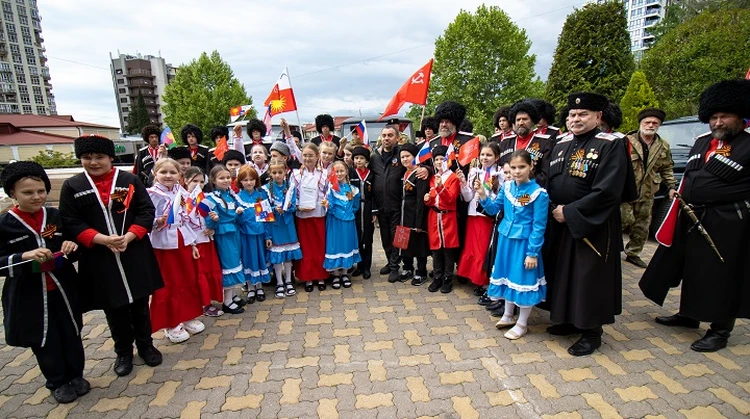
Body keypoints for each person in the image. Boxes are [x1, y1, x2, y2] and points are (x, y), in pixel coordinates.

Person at [640, 79, 750, 352]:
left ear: (741, 115)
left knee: (723, 275)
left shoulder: (748, 144)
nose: (719, 122)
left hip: (728, 221)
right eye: (714, 117)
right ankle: (689, 315)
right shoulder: (703, 142)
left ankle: (720, 330)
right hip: (692, 217)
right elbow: (692, 176)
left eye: (725, 116)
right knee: (692, 269)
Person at [59, 135, 163, 377]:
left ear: (110, 158)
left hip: (133, 250)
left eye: (99, 157)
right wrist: (101, 239)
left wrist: (129, 236)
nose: (94, 162)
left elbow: (146, 211)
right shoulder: (73, 186)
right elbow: (69, 221)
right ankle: (123, 352)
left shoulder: (128, 180)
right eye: (87, 158)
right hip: (99, 256)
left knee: (140, 305)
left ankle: (146, 346)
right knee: (113, 308)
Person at [543, 92, 632, 356]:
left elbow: (609, 191)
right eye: (572, 114)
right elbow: (549, 180)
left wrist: (570, 212)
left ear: (598, 117)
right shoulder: (560, 142)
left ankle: (592, 332)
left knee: (588, 277)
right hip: (559, 221)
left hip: (592, 224)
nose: (576, 119)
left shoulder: (611, 144)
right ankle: (569, 320)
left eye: (583, 114)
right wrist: (551, 209)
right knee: (563, 274)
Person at [0, 161, 88, 403]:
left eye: (41, 191)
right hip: (29, 294)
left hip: (63, 288)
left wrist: (71, 247)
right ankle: (57, 381)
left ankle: (76, 375)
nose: (36, 197)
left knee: (72, 331)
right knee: (44, 338)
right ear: (12, 194)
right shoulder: (4, 224)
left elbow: (73, 245)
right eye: (27, 192)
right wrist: (23, 256)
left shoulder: (55, 216)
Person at [477, 150, 548, 340]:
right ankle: (508, 315)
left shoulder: (538, 194)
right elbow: (493, 210)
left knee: (523, 280)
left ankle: (522, 323)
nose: (517, 171)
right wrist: (483, 195)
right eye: (514, 167)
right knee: (508, 277)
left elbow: (539, 226)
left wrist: (532, 252)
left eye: (522, 167)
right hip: (506, 240)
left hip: (525, 244)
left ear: (531, 166)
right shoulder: (507, 188)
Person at [147, 158, 205, 344]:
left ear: (180, 175)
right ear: (155, 174)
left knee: (187, 279)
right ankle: (171, 323)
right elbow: (143, 220)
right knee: (169, 283)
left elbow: (185, 219)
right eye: (163, 172)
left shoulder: (181, 192)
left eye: (173, 172)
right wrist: (157, 222)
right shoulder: (151, 194)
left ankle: (187, 315)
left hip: (183, 241)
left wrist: (193, 243)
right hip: (163, 245)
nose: (168, 176)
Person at [621, 107, 675, 268]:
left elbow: (666, 168)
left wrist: (672, 186)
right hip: (626, 191)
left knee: (642, 225)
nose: (650, 125)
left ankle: (633, 253)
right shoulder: (626, 141)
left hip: (648, 191)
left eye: (654, 123)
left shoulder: (663, 146)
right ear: (641, 123)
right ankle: (612, 250)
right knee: (622, 220)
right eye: (647, 122)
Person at [456, 143, 502, 296]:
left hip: (487, 217)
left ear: (497, 157)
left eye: (489, 155)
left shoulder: (500, 174)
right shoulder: (474, 172)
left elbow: (498, 198)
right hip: (473, 215)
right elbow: (468, 197)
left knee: (483, 249)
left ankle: (484, 281)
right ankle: (473, 278)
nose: (485, 158)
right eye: (482, 155)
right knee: (472, 247)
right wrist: (463, 183)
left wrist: (485, 192)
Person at [204, 165, 247, 314]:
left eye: (228, 177)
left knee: (236, 262)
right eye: (221, 178)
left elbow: (238, 217)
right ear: (213, 180)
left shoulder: (232, 195)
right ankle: (227, 301)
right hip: (224, 234)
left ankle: (233, 295)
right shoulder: (211, 198)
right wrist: (214, 219)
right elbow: (209, 222)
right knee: (229, 265)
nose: (226, 180)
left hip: (234, 232)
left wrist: (240, 213)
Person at [183, 167, 224, 317]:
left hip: (207, 240)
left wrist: (213, 224)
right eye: (195, 181)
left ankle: (209, 301)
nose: (198, 184)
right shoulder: (182, 200)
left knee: (210, 271)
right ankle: (202, 304)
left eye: (201, 181)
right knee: (198, 274)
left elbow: (214, 219)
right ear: (186, 181)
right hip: (193, 243)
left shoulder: (206, 199)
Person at [290, 143, 329, 291]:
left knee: (319, 245)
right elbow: (291, 193)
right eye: (305, 155)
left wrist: (326, 201)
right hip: (302, 214)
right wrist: (295, 204)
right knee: (305, 247)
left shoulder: (324, 174)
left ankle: (320, 276)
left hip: (318, 213)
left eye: (310, 155)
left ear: (317, 156)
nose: (307, 158)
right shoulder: (295, 174)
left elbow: (328, 191)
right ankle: (307, 277)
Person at [263, 158, 303, 298]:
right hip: (274, 225)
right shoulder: (265, 189)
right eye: (274, 172)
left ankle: (288, 281)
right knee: (277, 256)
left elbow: (293, 204)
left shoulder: (290, 186)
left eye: (280, 172)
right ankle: (279, 282)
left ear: (285, 172)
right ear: (270, 173)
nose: (277, 175)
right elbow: (263, 210)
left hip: (287, 224)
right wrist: (274, 209)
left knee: (288, 255)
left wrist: (287, 208)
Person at [424, 146, 461, 293]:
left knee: (448, 249)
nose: (439, 162)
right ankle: (437, 277)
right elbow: (432, 199)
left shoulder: (453, 178)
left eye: (442, 159)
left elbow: (451, 199)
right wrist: (427, 199)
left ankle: (447, 278)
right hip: (434, 217)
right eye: (437, 159)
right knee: (436, 249)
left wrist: (440, 188)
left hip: (448, 217)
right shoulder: (433, 177)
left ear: (449, 160)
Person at [322, 161, 361, 289]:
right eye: (336, 171)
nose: (339, 174)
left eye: (341, 171)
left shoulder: (353, 189)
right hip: (335, 222)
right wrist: (329, 206)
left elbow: (355, 206)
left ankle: (344, 273)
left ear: (346, 171)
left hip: (348, 222)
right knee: (335, 246)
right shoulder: (331, 189)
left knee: (346, 245)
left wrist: (348, 214)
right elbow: (331, 206)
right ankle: (335, 274)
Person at [395, 143, 430, 284]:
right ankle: (407, 267)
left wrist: (419, 221)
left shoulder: (420, 173)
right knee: (404, 243)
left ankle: (421, 271)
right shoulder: (403, 173)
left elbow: (420, 199)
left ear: (415, 157)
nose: (404, 159)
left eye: (408, 156)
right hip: (403, 214)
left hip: (415, 214)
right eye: (402, 156)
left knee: (419, 243)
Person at [497, 99, 552, 188]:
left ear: (533, 121)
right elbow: (499, 169)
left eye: (525, 119)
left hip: (533, 191)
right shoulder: (505, 143)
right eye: (518, 120)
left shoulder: (545, 142)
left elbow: (545, 174)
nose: (521, 123)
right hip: (508, 192)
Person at [236, 166, 272, 302]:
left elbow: (266, 218)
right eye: (245, 180)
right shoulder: (238, 198)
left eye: (251, 179)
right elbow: (237, 221)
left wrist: (268, 236)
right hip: (245, 235)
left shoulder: (260, 196)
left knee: (259, 258)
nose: (249, 182)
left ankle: (260, 287)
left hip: (259, 234)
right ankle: (250, 288)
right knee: (248, 259)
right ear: (240, 181)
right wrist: (238, 214)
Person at [350, 146, 376, 279]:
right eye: (356, 158)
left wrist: (374, 212)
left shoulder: (371, 174)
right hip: (355, 208)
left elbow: (375, 194)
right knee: (357, 237)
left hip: (367, 207)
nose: (358, 161)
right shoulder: (350, 173)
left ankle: (367, 267)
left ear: (366, 160)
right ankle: (359, 266)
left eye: (361, 158)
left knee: (368, 238)